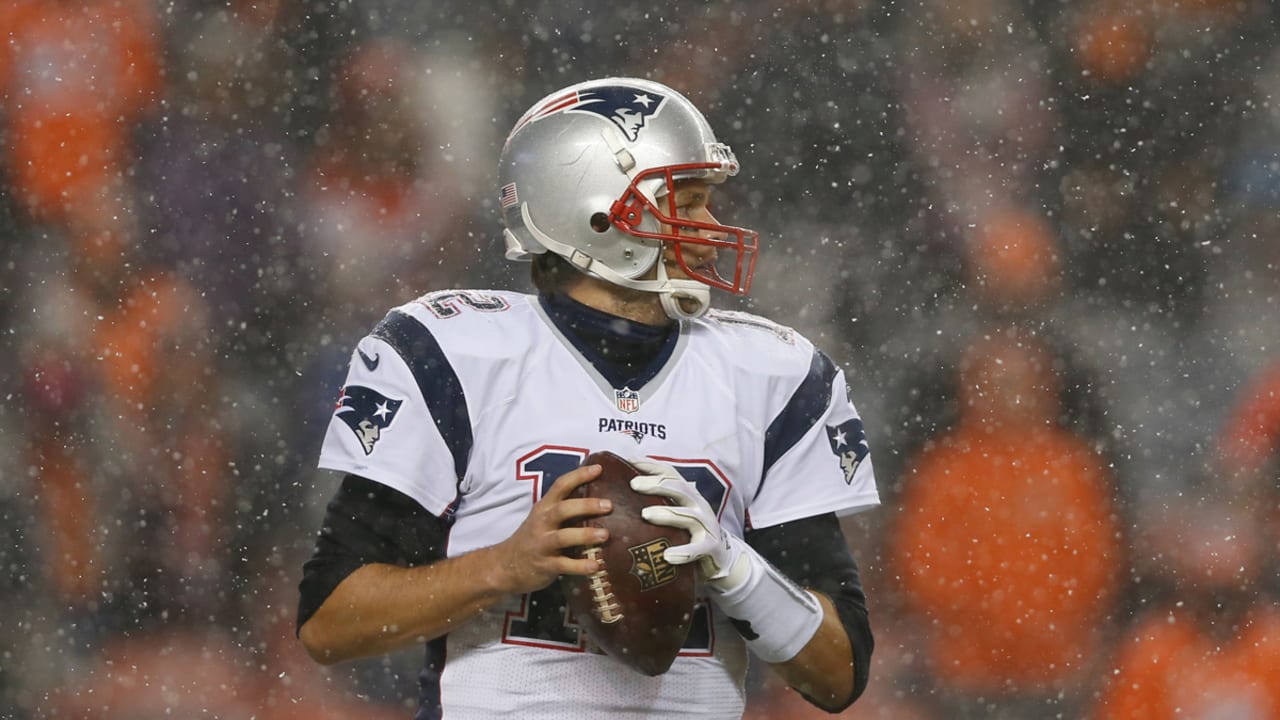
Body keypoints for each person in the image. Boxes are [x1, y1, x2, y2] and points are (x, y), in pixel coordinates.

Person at [295, 76, 880, 719]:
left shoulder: (773, 375)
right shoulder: (454, 355)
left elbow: (839, 674)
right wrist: (504, 565)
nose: (714, 225)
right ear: (596, 212)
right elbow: (329, 623)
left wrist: (735, 569)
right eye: (687, 201)